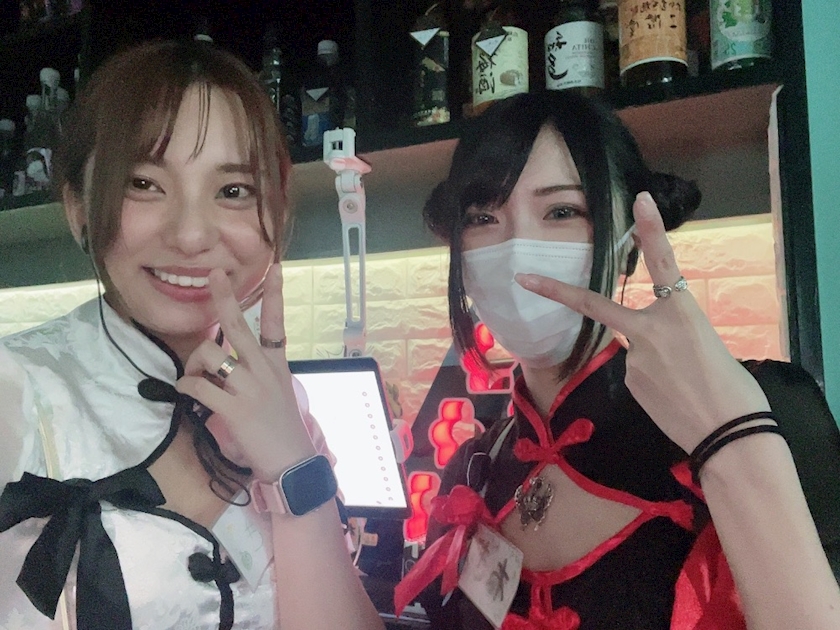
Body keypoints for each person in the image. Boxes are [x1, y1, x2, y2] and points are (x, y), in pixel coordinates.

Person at [395, 90, 840, 629]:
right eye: (483, 217)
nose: (517, 249)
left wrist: (733, 439)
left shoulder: (766, 416)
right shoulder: (471, 471)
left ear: (628, 241)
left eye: (561, 211)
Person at [0, 41, 384, 630]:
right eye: (144, 183)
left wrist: (294, 463)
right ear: (78, 207)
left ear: (276, 213)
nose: (191, 235)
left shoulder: (281, 403)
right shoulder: (15, 389)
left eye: (233, 190)